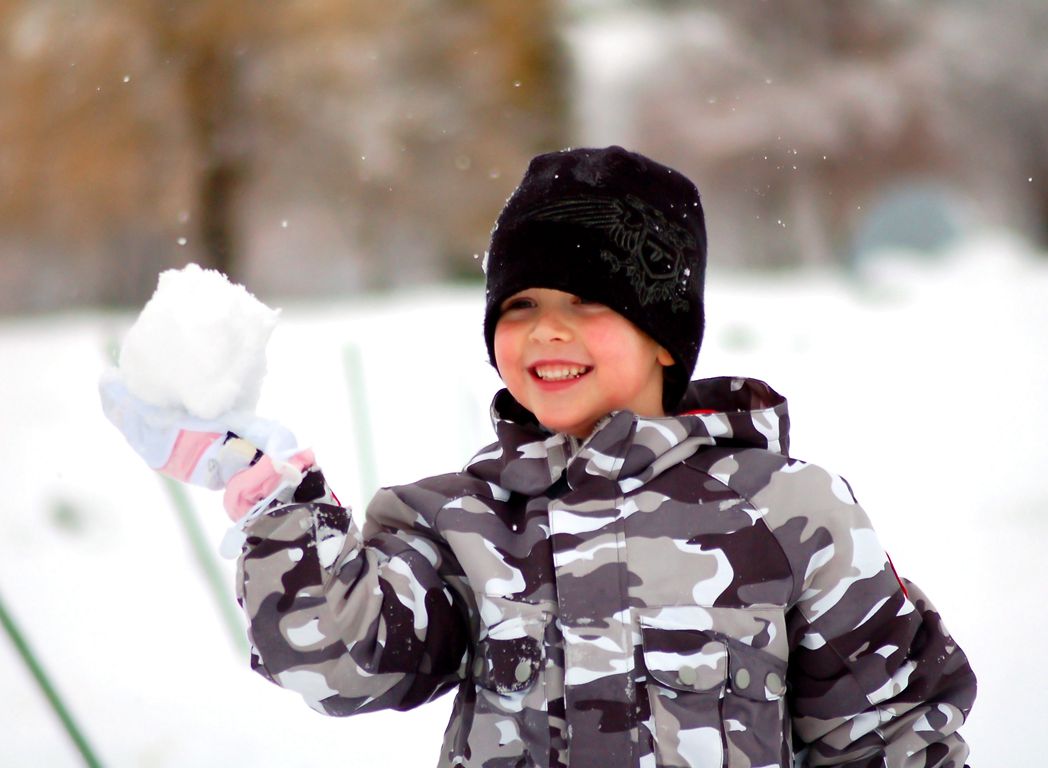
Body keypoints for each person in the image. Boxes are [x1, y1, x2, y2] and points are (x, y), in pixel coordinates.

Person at [102, 146, 976, 767]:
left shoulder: (789, 513)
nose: (546, 329)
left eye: (587, 301)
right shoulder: (457, 522)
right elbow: (338, 658)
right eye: (519, 304)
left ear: (666, 337)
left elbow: (886, 737)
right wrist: (273, 494)